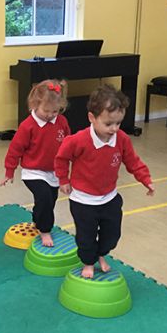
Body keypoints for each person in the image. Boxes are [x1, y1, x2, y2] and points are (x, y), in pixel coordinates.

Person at [55, 83, 155, 278]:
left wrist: (145, 179)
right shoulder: (78, 140)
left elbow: (133, 161)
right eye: (108, 124)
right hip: (83, 200)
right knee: (86, 237)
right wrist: (63, 179)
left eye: (118, 123)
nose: (114, 129)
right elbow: (61, 158)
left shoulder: (121, 139)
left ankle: (101, 253)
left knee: (112, 236)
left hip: (109, 197)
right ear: (92, 118)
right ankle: (88, 262)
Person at [0, 80, 70, 247]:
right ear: (35, 104)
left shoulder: (61, 122)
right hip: (33, 172)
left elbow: (69, 144)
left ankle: (38, 219)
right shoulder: (27, 126)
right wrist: (9, 171)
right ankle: (45, 230)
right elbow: (15, 150)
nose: (50, 115)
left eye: (55, 111)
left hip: (54, 172)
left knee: (49, 201)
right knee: (44, 198)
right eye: (46, 110)